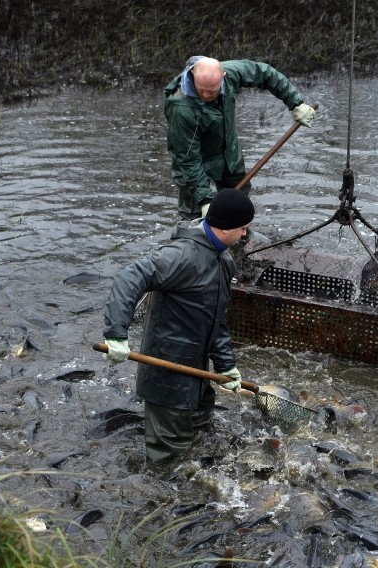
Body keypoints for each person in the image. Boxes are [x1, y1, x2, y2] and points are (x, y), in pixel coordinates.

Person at [102, 188, 255, 464]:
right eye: (242, 228)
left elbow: (216, 318)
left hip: (197, 371)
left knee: (202, 433)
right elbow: (130, 277)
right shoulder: (182, 256)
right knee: (169, 457)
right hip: (167, 372)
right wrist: (116, 333)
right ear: (225, 228)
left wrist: (225, 365)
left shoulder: (224, 260)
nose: (245, 235)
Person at [164, 56, 316, 220]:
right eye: (201, 90)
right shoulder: (180, 108)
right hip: (192, 161)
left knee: (239, 207)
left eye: (212, 91)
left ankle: (240, 242)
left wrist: (295, 103)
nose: (206, 95)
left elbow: (265, 74)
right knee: (194, 216)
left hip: (228, 152)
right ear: (193, 74)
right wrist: (205, 200)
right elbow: (189, 159)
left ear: (223, 77)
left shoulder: (231, 73)